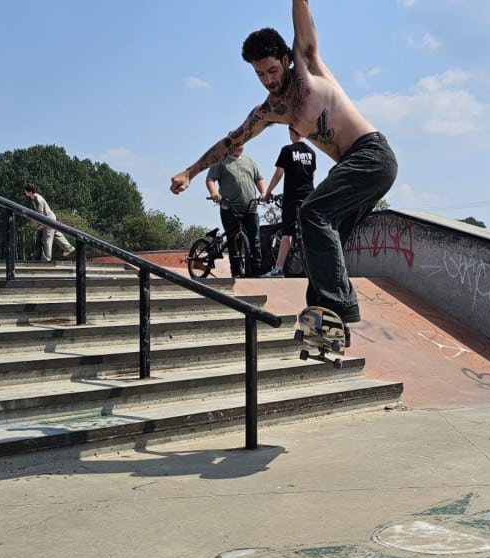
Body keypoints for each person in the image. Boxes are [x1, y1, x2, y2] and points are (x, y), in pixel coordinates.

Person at [170, 0, 398, 328]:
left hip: (372, 155)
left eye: (273, 71)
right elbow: (230, 142)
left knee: (312, 212)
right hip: (351, 166)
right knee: (320, 237)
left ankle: (341, 307)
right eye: (260, 74)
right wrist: (190, 172)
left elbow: (301, 8)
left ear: (286, 60)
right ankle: (322, 321)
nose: (268, 80)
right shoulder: (269, 111)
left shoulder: (307, 63)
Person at [261, 126, 316, 277]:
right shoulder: (311, 153)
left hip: (292, 196)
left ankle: (278, 269)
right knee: (309, 231)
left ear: (291, 132)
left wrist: (268, 192)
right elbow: (312, 176)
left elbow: (279, 174)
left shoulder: (287, 150)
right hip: (308, 195)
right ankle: (316, 269)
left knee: (287, 234)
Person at [205, 144, 266, 277]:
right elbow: (210, 179)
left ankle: (256, 270)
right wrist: (214, 192)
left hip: (250, 207)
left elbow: (259, 178)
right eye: (237, 144)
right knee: (234, 240)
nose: (240, 147)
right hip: (230, 207)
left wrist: (263, 192)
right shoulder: (221, 161)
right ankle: (236, 271)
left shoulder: (249, 161)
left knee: (254, 239)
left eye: (242, 144)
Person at [23, 183, 75, 261]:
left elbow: (41, 213)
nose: (25, 193)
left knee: (46, 239)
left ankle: (47, 258)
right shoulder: (35, 198)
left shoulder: (37, 199)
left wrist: (40, 224)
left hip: (47, 219)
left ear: (30, 192)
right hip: (51, 217)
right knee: (56, 233)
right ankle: (68, 248)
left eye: (25, 191)